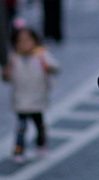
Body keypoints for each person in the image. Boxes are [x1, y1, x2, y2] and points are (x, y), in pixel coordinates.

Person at [2, 25, 60, 162]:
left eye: (28, 40)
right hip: (21, 100)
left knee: (39, 125)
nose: (24, 44)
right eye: (20, 41)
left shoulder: (41, 55)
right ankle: (18, 151)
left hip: (37, 98)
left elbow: (56, 67)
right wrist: (5, 73)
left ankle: (41, 145)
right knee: (21, 128)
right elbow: (7, 78)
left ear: (35, 40)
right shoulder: (13, 59)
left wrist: (49, 66)